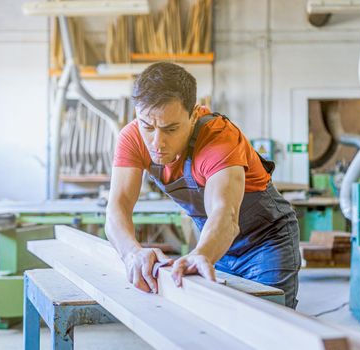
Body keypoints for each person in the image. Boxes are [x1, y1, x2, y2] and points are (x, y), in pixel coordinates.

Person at [105, 62, 301, 308]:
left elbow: (225, 213)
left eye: (171, 129)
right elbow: (117, 209)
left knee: (271, 324)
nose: (157, 142)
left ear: (194, 114)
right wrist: (132, 253)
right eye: (147, 127)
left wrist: (202, 253)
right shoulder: (132, 138)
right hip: (215, 244)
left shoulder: (219, 139)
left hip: (265, 241)